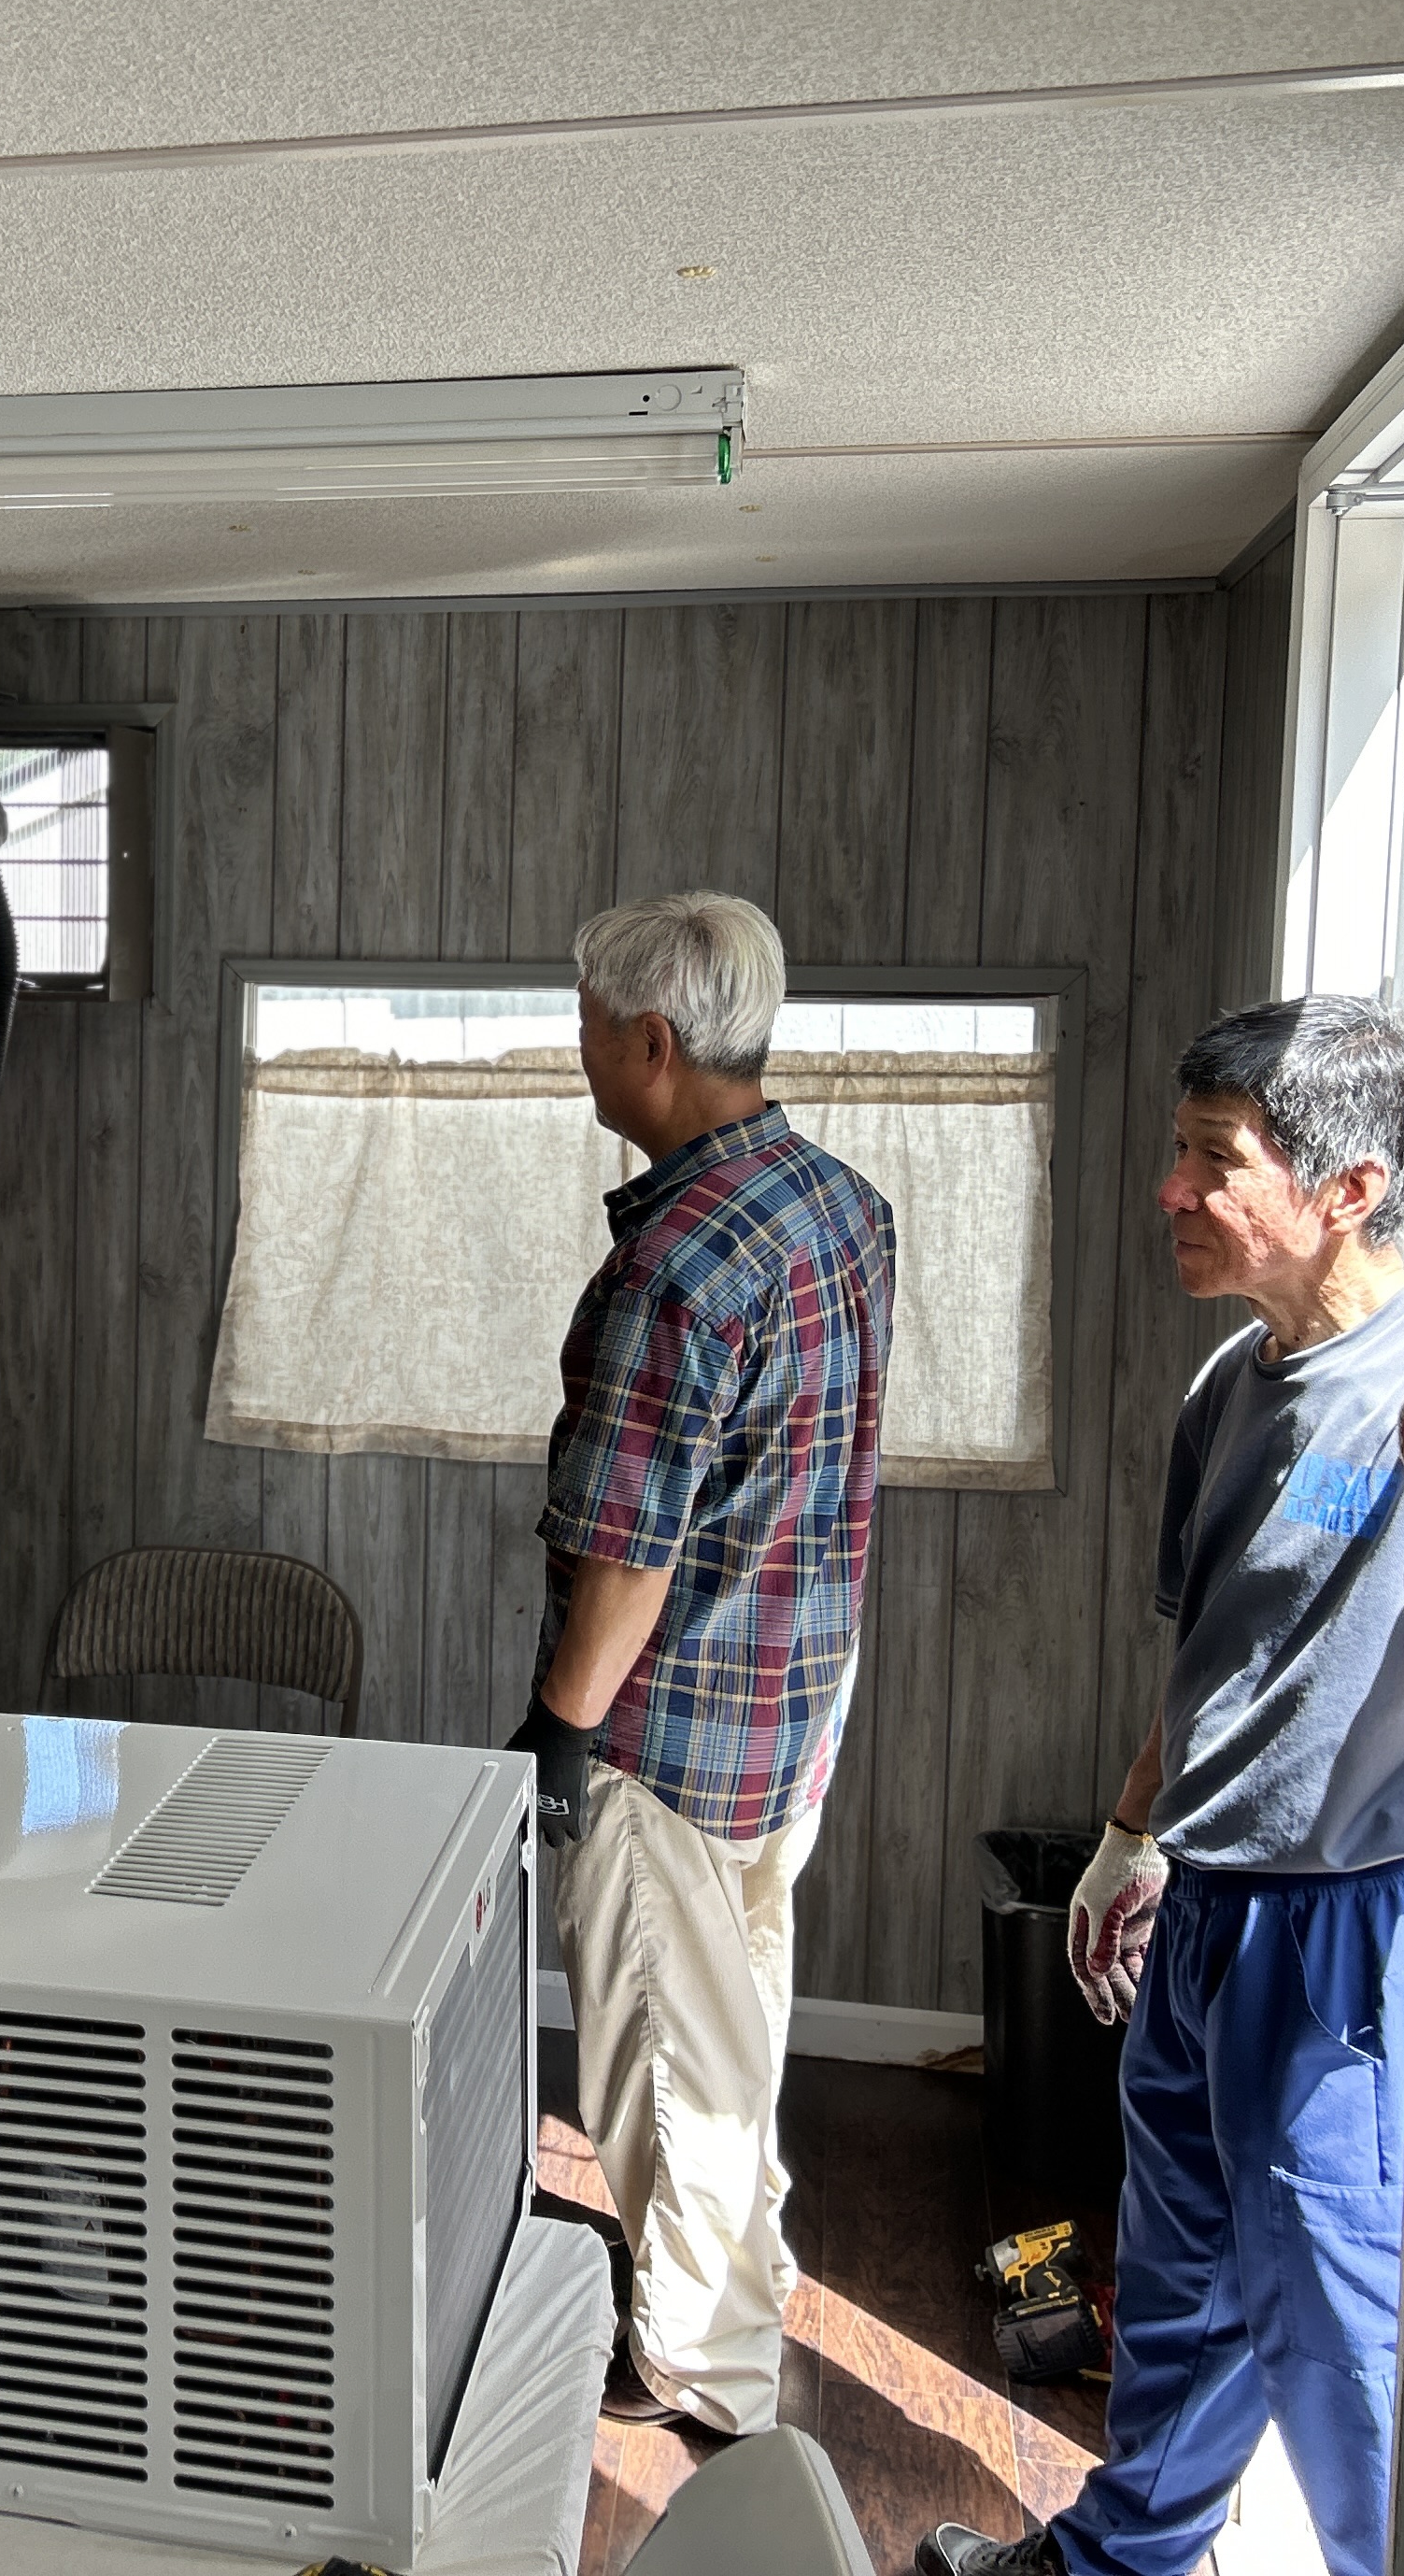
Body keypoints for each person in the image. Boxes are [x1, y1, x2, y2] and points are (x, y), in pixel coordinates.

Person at [919, 995, 1404, 2576]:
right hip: (1202, 1912)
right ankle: (1119, 2558)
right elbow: (1209, 1653)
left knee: (1335, 2329)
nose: (1171, 1189)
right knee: (1177, 2291)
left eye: (1214, 1157)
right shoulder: (1228, 1387)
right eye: (1179, 1148)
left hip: (1338, 1935)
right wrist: (1128, 1834)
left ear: (1348, 1187)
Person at [504, 891, 895, 2440]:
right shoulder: (840, 1204)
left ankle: (697, 2369)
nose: (582, 1048)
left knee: (667, 2056)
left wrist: (554, 1731)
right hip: (791, 1711)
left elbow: (631, 1548)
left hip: (666, 1733)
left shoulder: (676, 1262)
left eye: (590, 1023)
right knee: (737, 2035)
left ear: (651, 1043)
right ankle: (742, 2290)